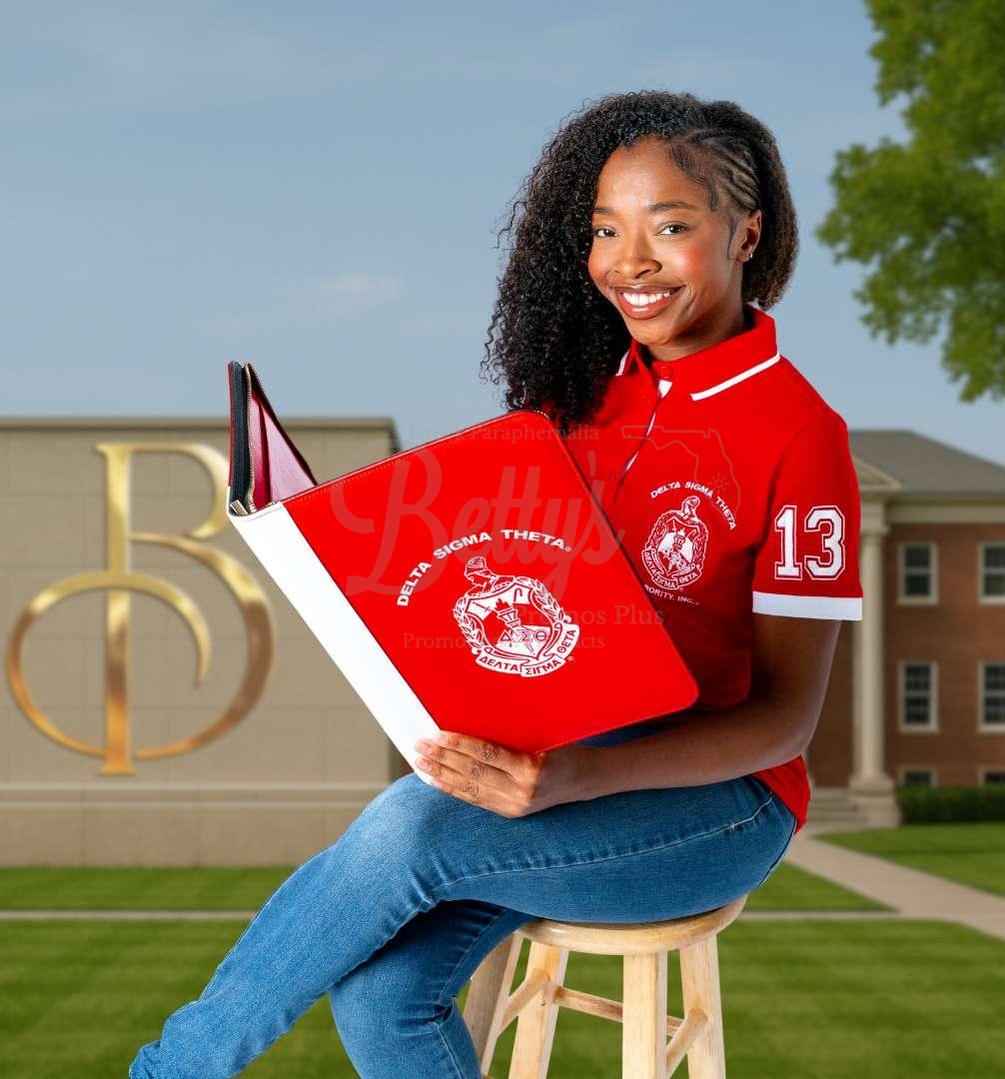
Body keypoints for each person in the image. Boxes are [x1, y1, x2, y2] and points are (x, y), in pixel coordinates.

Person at [130, 88, 863, 1079]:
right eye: (605, 229)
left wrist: (570, 778)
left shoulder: (800, 437)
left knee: (407, 823)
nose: (628, 260)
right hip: (565, 770)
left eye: (670, 226)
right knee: (384, 992)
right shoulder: (578, 407)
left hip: (718, 804)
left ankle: (175, 1068)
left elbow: (783, 721)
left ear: (746, 235)